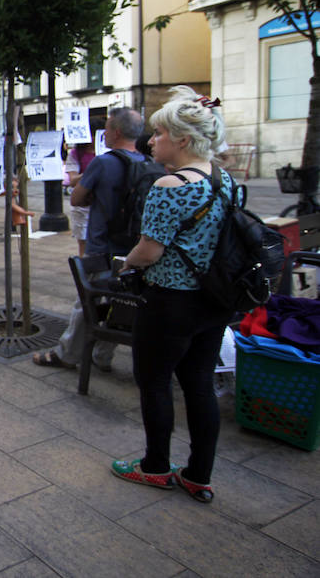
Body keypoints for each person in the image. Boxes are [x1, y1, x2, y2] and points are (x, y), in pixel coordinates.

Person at [110, 87, 232, 503]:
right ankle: (198, 475)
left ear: (182, 140)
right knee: (199, 385)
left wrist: (125, 263)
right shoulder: (224, 180)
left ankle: (156, 467)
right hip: (214, 301)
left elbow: (150, 251)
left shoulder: (169, 185)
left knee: (154, 383)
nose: (151, 141)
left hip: (170, 303)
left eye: (160, 133)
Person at [32, 107, 146, 370]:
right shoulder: (146, 162)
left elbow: (76, 198)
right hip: (132, 248)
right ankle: (102, 355)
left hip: (102, 246)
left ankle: (67, 354)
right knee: (121, 302)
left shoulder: (103, 163)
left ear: (116, 132)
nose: (104, 133)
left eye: (107, 128)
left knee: (87, 301)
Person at [65, 118, 103, 257]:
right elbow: (73, 180)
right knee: (84, 241)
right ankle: (84, 267)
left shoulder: (107, 152)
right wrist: (92, 171)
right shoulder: (76, 154)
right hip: (83, 205)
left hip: (103, 202)